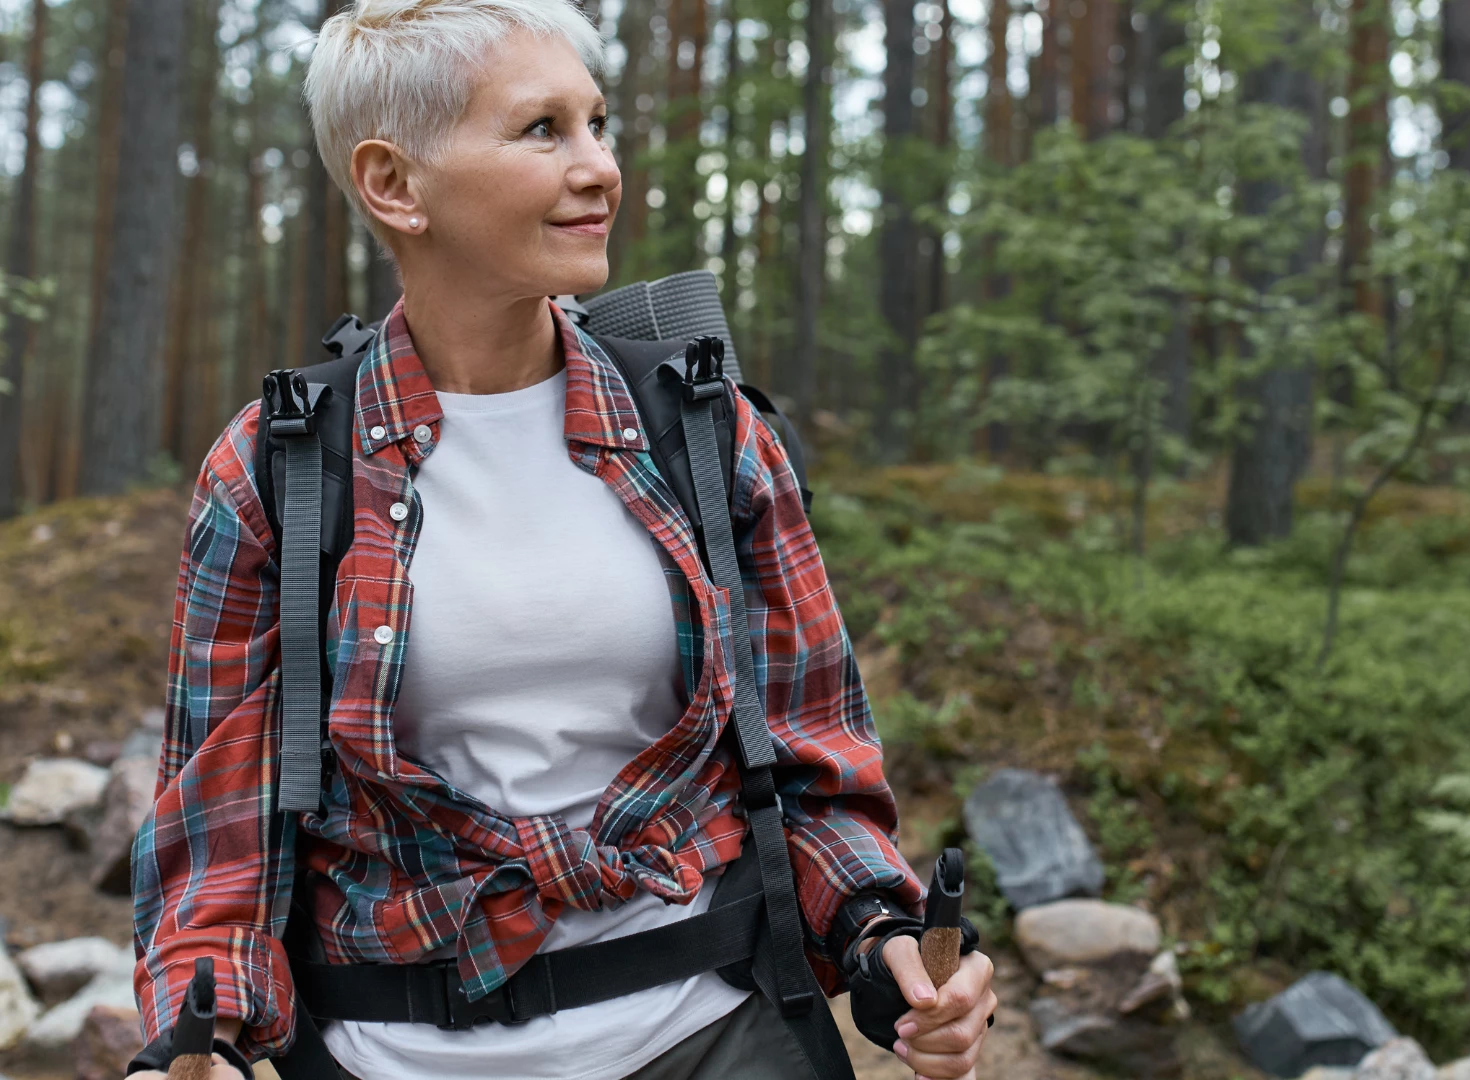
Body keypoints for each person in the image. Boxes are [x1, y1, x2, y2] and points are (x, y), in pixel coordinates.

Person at [126, 2, 994, 1078]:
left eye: (597, 123)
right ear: (395, 185)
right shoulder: (282, 468)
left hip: (713, 1035)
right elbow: (219, 835)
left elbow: (812, 763)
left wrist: (886, 941)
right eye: (542, 131)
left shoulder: (704, 429)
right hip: (386, 1055)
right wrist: (197, 1040)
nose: (599, 169)